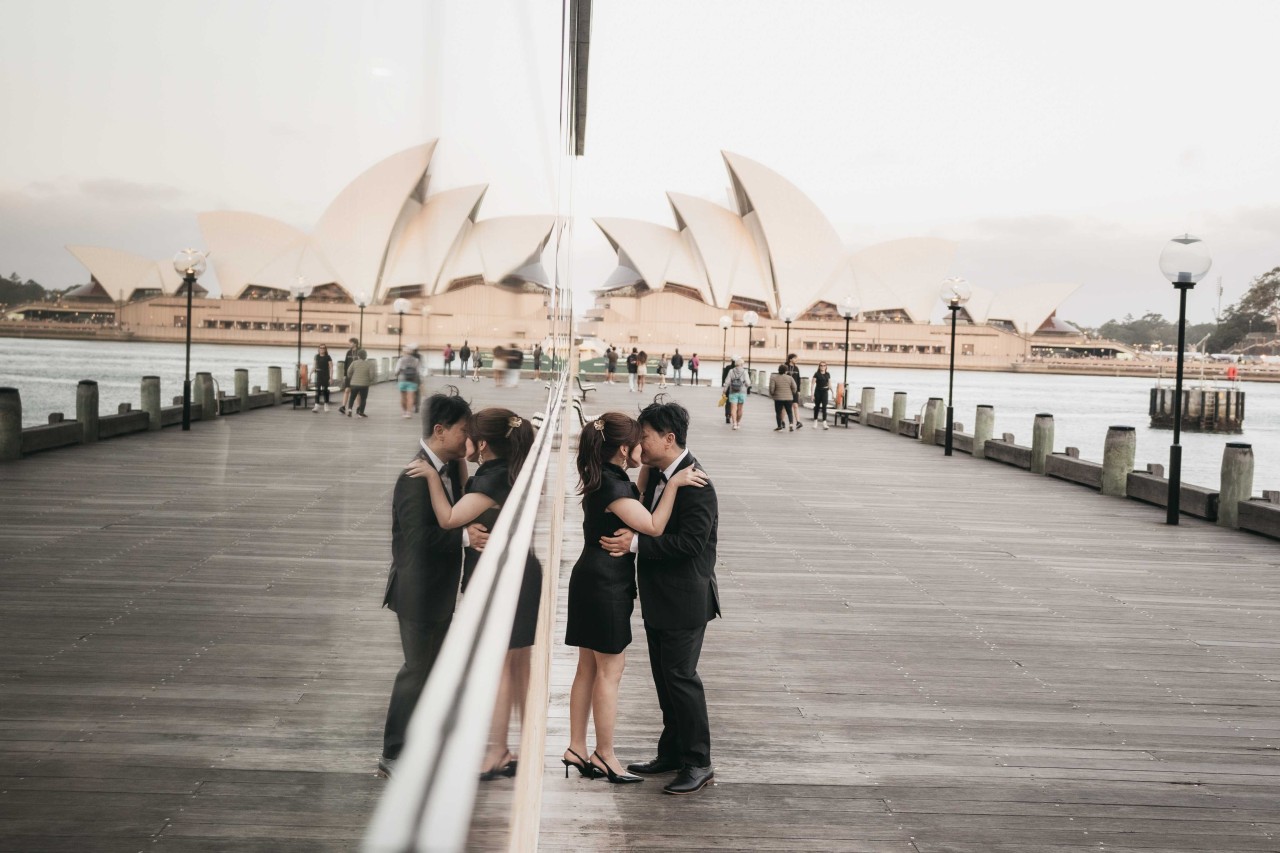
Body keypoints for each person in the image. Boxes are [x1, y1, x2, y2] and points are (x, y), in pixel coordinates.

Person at [563, 411, 707, 785]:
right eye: (637, 441)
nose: (643, 445)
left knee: (587, 669)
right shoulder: (615, 489)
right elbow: (654, 526)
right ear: (625, 450)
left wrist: (652, 470)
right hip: (605, 586)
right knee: (609, 672)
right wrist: (674, 484)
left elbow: (640, 495)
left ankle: (577, 747)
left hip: (589, 579)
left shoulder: (605, 478)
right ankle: (605, 754)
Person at [408, 408, 540, 781]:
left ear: (481, 444)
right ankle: (526, 746)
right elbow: (473, 492)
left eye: (469, 435)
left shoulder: (492, 480)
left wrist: (432, 477)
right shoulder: (511, 471)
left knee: (500, 667)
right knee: (518, 666)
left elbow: (450, 518)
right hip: (522, 572)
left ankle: (497, 751)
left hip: (502, 579)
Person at [600, 398, 720, 796]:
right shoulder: (656, 473)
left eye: (645, 437)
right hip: (659, 598)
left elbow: (691, 544)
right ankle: (671, 752)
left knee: (681, 680)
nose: (640, 444)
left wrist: (635, 544)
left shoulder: (697, 483)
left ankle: (698, 762)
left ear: (669, 439)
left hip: (685, 599)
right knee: (666, 681)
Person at [378, 391, 474, 779]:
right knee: (416, 670)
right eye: (464, 430)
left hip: (438, 591)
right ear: (440, 430)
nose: (468, 438)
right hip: (417, 592)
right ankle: (393, 753)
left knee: (431, 670)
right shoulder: (414, 476)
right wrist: (466, 537)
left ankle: (419, 746)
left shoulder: (447, 469)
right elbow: (417, 538)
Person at [347, 349, 375, 418]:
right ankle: (361, 413)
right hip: (364, 384)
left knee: (352, 397)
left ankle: (350, 410)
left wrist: (351, 377)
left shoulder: (354, 363)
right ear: (366, 356)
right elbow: (372, 375)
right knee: (363, 399)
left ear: (358, 356)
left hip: (354, 384)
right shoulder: (370, 364)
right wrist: (369, 380)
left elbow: (349, 372)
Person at [722, 357, 748, 431]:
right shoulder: (744, 372)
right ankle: (738, 422)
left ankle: (734, 424)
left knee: (733, 408)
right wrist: (745, 386)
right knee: (740, 408)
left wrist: (724, 391)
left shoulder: (731, 371)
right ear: (742, 364)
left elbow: (727, 382)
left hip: (733, 392)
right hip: (742, 392)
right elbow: (748, 383)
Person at [769, 364, 798, 431]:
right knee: (789, 412)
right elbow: (794, 387)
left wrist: (773, 394)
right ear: (786, 371)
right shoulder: (790, 378)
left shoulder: (774, 377)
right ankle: (791, 424)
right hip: (788, 398)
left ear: (778, 370)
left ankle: (779, 426)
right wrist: (792, 393)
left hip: (778, 398)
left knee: (778, 412)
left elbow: (772, 389)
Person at [395, 346, 421, 419]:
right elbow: (418, 371)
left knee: (403, 397)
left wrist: (397, 374)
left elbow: (396, 371)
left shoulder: (401, 360)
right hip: (413, 380)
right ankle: (408, 413)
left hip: (402, 380)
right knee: (410, 397)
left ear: (404, 352)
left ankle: (404, 411)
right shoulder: (416, 360)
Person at [339, 337, 359, 414]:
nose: (349, 344)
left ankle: (358, 408)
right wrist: (345, 375)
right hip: (348, 375)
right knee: (347, 390)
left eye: (351, 343)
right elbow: (346, 363)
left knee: (357, 392)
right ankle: (343, 407)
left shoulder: (360, 351)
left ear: (355, 343)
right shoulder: (348, 352)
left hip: (357, 374)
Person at [311, 344, 334, 413]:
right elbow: (314, 366)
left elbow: (331, 368)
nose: (322, 349)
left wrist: (331, 377)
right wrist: (310, 374)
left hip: (325, 375)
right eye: (320, 348)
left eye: (323, 348)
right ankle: (316, 405)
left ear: (325, 349)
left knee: (325, 390)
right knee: (317, 390)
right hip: (318, 374)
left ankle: (326, 404)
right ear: (318, 349)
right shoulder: (316, 356)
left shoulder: (328, 357)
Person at [785, 353, 804, 429]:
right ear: (790, 359)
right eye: (795, 358)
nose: (796, 360)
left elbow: (798, 379)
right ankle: (782, 422)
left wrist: (798, 390)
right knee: (784, 406)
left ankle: (798, 422)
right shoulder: (785, 367)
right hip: (786, 389)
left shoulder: (796, 368)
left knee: (795, 405)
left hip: (794, 390)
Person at [812, 362, 832, 430]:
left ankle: (824, 423)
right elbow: (812, 384)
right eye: (821, 365)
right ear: (819, 366)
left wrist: (833, 393)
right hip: (818, 391)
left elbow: (829, 384)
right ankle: (815, 421)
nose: (822, 367)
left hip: (825, 392)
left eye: (824, 365)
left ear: (826, 366)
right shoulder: (816, 374)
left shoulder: (827, 374)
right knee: (817, 407)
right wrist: (812, 394)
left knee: (824, 407)